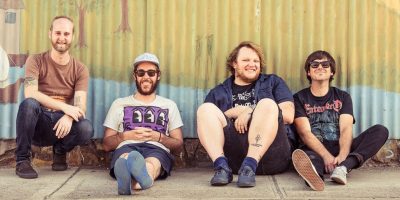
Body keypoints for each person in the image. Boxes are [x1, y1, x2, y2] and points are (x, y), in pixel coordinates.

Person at [197, 41, 294, 188]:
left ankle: (250, 165)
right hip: (235, 161)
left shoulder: (273, 82)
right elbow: (207, 127)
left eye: (256, 61)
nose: (252, 64)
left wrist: (249, 111)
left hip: (273, 157)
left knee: (267, 103)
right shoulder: (218, 93)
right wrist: (232, 112)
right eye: (246, 60)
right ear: (234, 64)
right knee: (205, 109)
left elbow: (288, 115)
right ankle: (221, 167)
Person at [291, 50, 389, 191]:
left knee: (380, 131)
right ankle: (315, 176)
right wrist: (326, 156)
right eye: (314, 65)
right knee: (309, 157)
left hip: (341, 146)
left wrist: (342, 155)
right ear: (308, 72)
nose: (320, 67)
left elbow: (346, 128)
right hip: (314, 148)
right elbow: (304, 133)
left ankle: (343, 167)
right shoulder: (299, 98)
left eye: (325, 65)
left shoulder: (343, 96)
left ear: (332, 72)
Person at [15, 16, 94, 179]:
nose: (62, 38)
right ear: (49, 34)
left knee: (86, 128)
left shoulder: (80, 69)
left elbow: (81, 105)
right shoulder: (35, 60)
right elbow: (30, 93)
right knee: (28, 104)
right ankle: (22, 160)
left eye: (66, 33)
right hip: (38, 121)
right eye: (58, 33)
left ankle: (60, 150)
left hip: (61, 125)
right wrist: (65, 107)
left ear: (72, 36)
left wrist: (68, 117)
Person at [102, 53, 184, 195]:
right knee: (126, 158)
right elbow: (107, 144)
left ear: (158, 76)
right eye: (141, 72)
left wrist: (159, 138)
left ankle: (134, 179)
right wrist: (124, 136)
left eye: (151, 73)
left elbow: (178, 145)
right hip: (126, 146)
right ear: (135, 76)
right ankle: (139, 181)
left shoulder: (169, 105)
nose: (146, 77)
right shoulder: (119, 104)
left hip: (157, 148)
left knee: (151, 163)